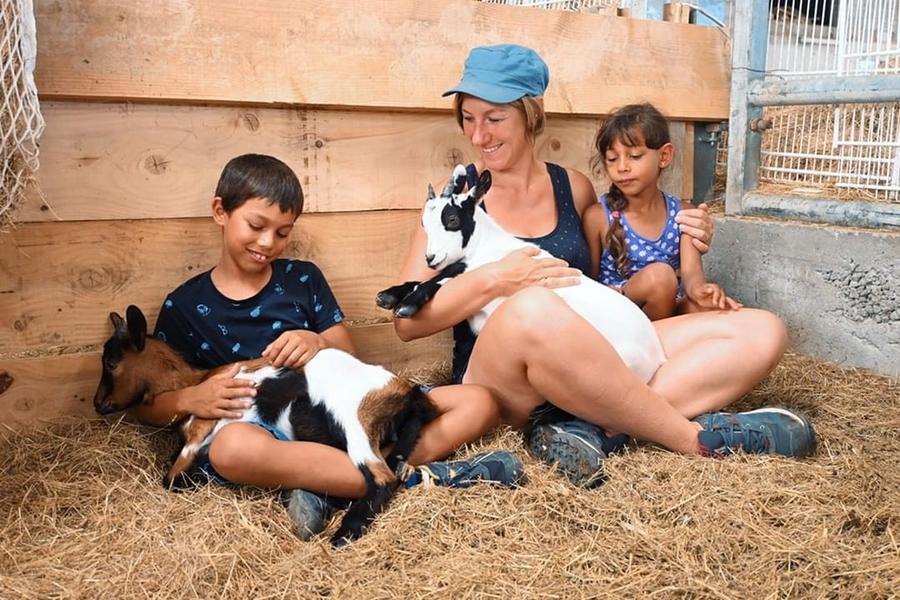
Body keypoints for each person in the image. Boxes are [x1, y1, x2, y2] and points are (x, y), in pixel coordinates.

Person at [392, 44, 816, 487]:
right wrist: (498, 278)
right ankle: (692, 438)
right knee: (533, 306)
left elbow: (601, 280)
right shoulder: (453, 204)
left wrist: (691, 235)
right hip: (507, 373)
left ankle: (594, 430)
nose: (479, 136)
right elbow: (406, 322)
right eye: (468, 118)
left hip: (590, 355)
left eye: (494, 119)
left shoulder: (571, 187)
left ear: (531, 114)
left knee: (763, 330)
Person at [138, 153, 523, 539]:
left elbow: (346, 350)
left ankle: (328, 485)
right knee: (231, 450)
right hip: (264, 425)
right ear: (221, 212)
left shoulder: (302, 279)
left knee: (479, 402)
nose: (268, 242)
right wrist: (192, 399)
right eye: (256, 226)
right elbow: (148, 405)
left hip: (343, 406)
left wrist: (316, 341)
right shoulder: (184, 306)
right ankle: (418, 478)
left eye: (283, 233)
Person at [583, 103, 742, 320]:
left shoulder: (683, 214)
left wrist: (702, 291)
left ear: (664, 156)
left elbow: (692, 277)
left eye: (634, 156)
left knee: (715, 309)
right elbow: (589, 281)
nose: (622, 167)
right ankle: (656, 338)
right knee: (661, 278)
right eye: (612, 159)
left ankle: (666, 334)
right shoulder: (598, 217)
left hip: (669, 309)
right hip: (618, 315)